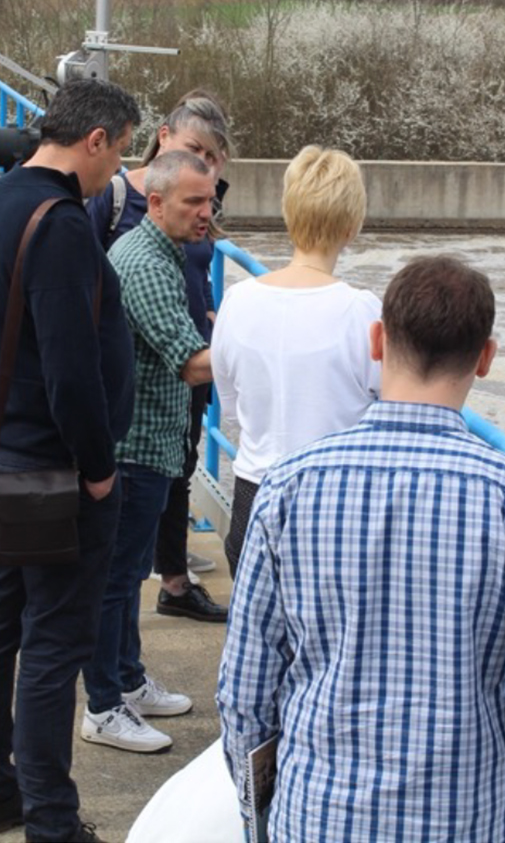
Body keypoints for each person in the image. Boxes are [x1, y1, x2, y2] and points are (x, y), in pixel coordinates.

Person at [217, 255, 505, 842]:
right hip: (462, 818)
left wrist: (262, 813)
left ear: (377, 340)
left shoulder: (290, 485)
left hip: (316, 815)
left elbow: (244, 691)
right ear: (486, 357)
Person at [0, 77, 140, 843]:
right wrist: (97, 466)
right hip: (53, 468)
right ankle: (51, 822)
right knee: (54, 639)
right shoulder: (60, 224)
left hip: (0, 454)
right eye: (120, 152)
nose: (117, 173)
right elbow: (70, 366)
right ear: (94, 139)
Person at [79, 151, 216, 756]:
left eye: (210, 200)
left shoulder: (164, 252)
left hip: (151, 443)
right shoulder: (145, 264)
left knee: (129, 575)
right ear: (155, 203)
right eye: (193, 202)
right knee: (115, 580)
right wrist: (269, 342)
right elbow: (192, 363)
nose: (206, 213)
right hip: (134, 446)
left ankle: (128, 679)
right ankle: (104, 704)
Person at [86, 90, 233, 623]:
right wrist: (256, 341)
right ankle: (110, 694)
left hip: (169, 394)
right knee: (119, 573)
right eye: (196, 151)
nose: (205, 208)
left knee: (177, 476)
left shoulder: (182, 225)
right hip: (143, 413)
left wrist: (215, 316)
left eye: (213, 164)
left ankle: (166, 591)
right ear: (164, 139)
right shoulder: (128, 220)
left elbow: (200, 278)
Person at [209, 145, 382, 578]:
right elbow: (387, 405)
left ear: (288, 213)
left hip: (255, 496)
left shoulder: (237, 300)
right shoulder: (362, 311)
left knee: (258, 639)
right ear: (353, 224)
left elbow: (230, 405)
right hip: (335, 503)